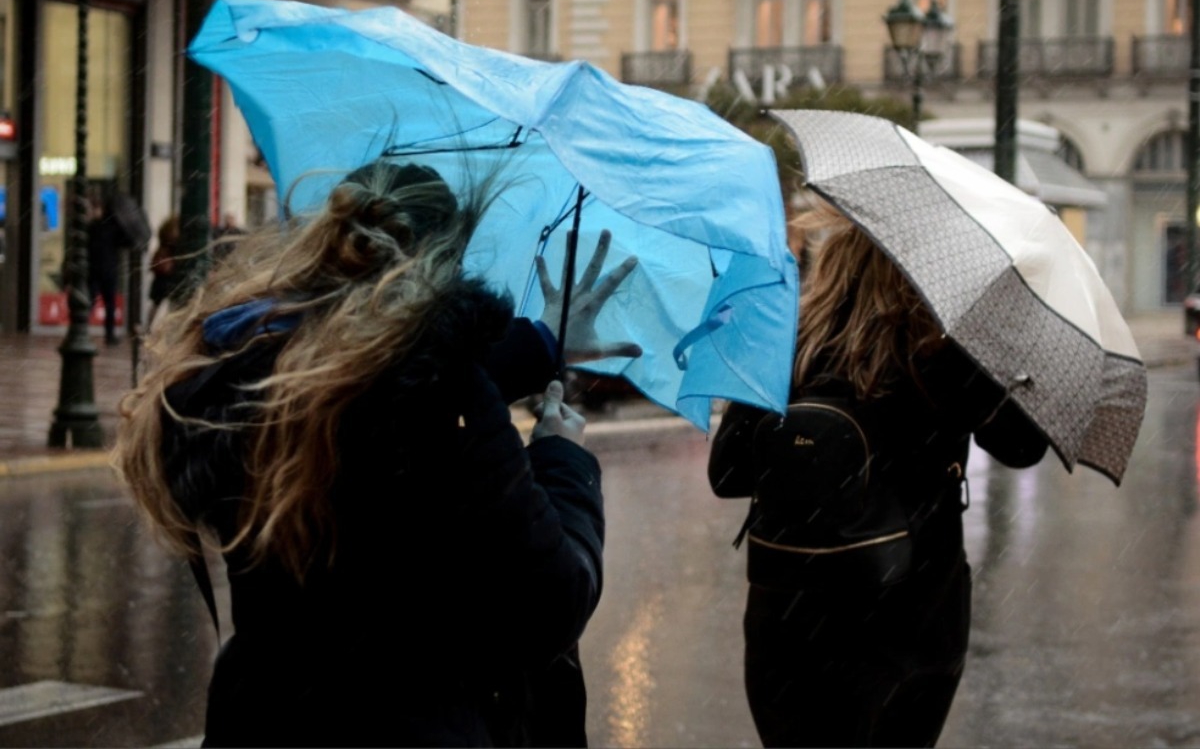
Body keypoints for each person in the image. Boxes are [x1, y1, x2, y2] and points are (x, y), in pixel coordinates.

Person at [114, 160, 638, 748]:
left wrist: (543, 342)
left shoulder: (256, 367)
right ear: (445, 260)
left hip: (264, 717)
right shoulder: (440, 401)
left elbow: (374, 387)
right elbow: (552, 603)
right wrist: (563, 462)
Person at [708, 197, 1049, 748]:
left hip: (789, 625)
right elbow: (1023, 446)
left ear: (834, 257)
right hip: (911, 623)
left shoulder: (785, 343)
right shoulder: (940, 352)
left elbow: (726, 476)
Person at [87, 185, 123, 345]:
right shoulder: (93, 227)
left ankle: (110, 334)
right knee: (91, 300)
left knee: (108, 303)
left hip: (106, 269)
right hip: (97, 269)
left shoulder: (111, 227)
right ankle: (85, 330)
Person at [147, 214, 180, 326]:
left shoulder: (164, 238)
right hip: (167, 277)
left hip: (162, 277)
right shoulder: (173, 241)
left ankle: (148, 328)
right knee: (168, 304)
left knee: (156, 305)